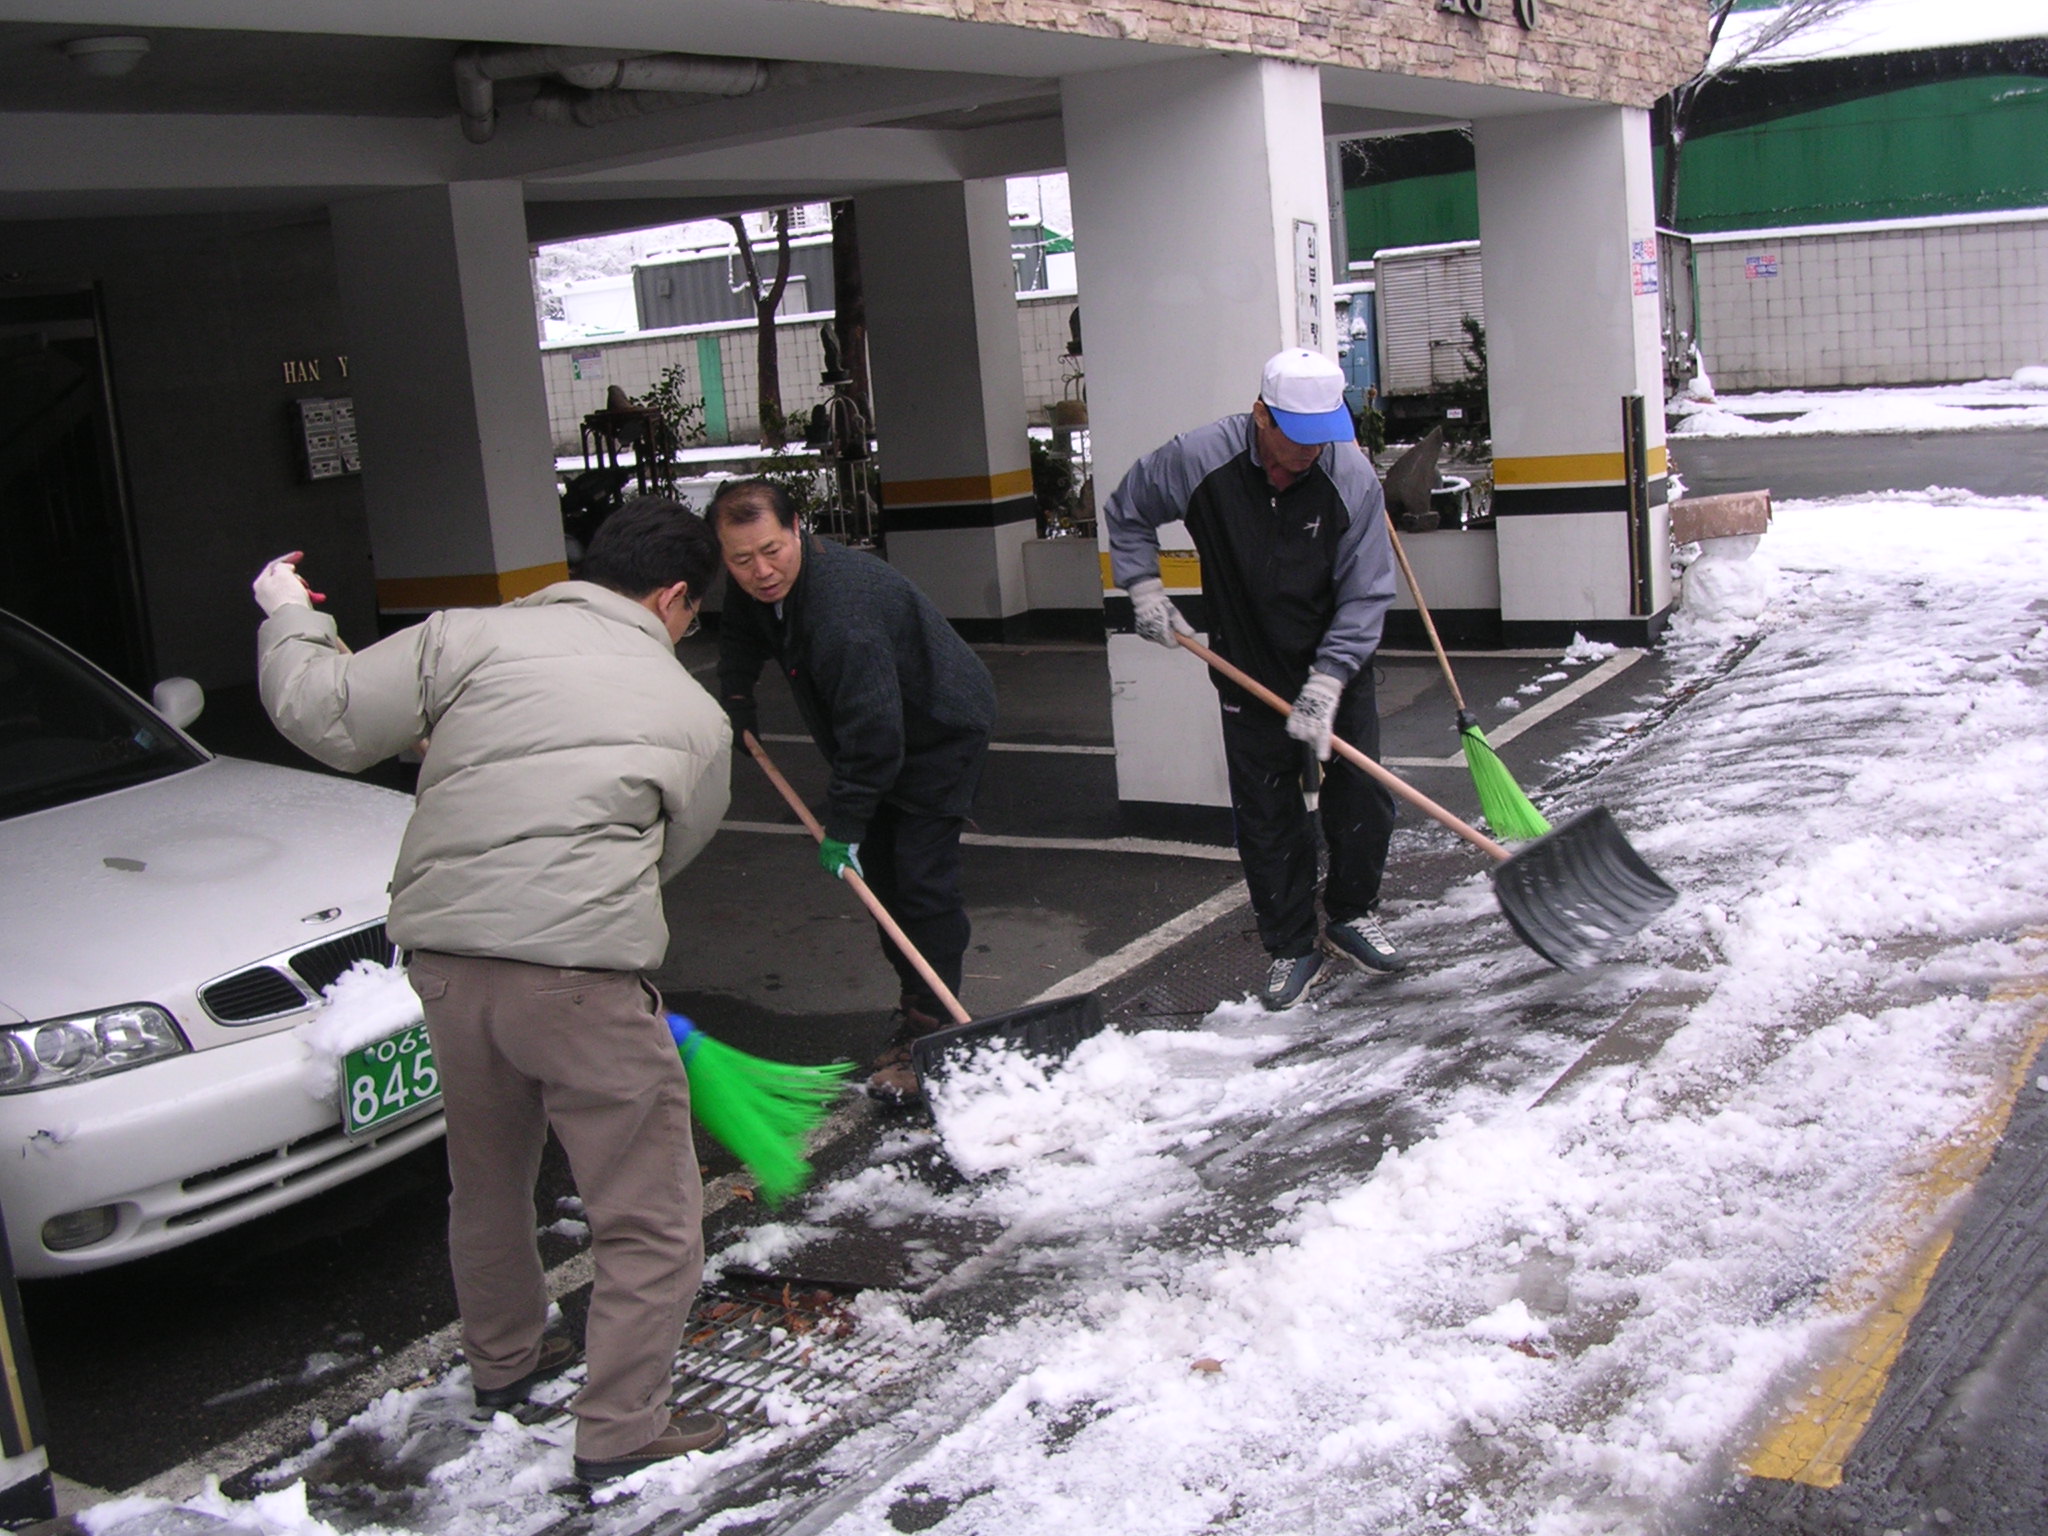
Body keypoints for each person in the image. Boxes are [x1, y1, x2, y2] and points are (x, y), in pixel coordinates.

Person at [251, 499, 733, 1483]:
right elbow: (665, 854)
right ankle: (623, 1426)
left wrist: (287, 613)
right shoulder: (695, 716)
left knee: (487, 1181)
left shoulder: (465, 637)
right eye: (693, 615)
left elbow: (326, 714)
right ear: (675, 597)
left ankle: (506, 1363)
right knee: (646, 1213)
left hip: (447, 966)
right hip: (580, 985)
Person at [1103, 348, 1403, 1011]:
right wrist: (1143, 585)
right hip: (1247, 668)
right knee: (1269, 818)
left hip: (1335, 668)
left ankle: (1352, 915)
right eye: (1297, 436)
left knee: (1363, 802)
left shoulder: (1349, 475)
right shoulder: (1198, 459)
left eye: (1323, 436)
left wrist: (1328, 682)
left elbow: (1366, 592)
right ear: (1261, 415)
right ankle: (1291, 946)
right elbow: (1126, 509)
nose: (1310, 452)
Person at [709, 478, 996, 1107]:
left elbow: (875, 737)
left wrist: (844, 824)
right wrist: (736, 697)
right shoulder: (758, 584)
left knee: (919, 880)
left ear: (798, 530)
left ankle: (933, 1029)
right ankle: (919, 1007)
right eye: (741, 559)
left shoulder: (843, 610)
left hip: (937, 729)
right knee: (884, 886)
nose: (760, 572)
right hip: (879, 732)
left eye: (772, 551)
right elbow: (739, 631)